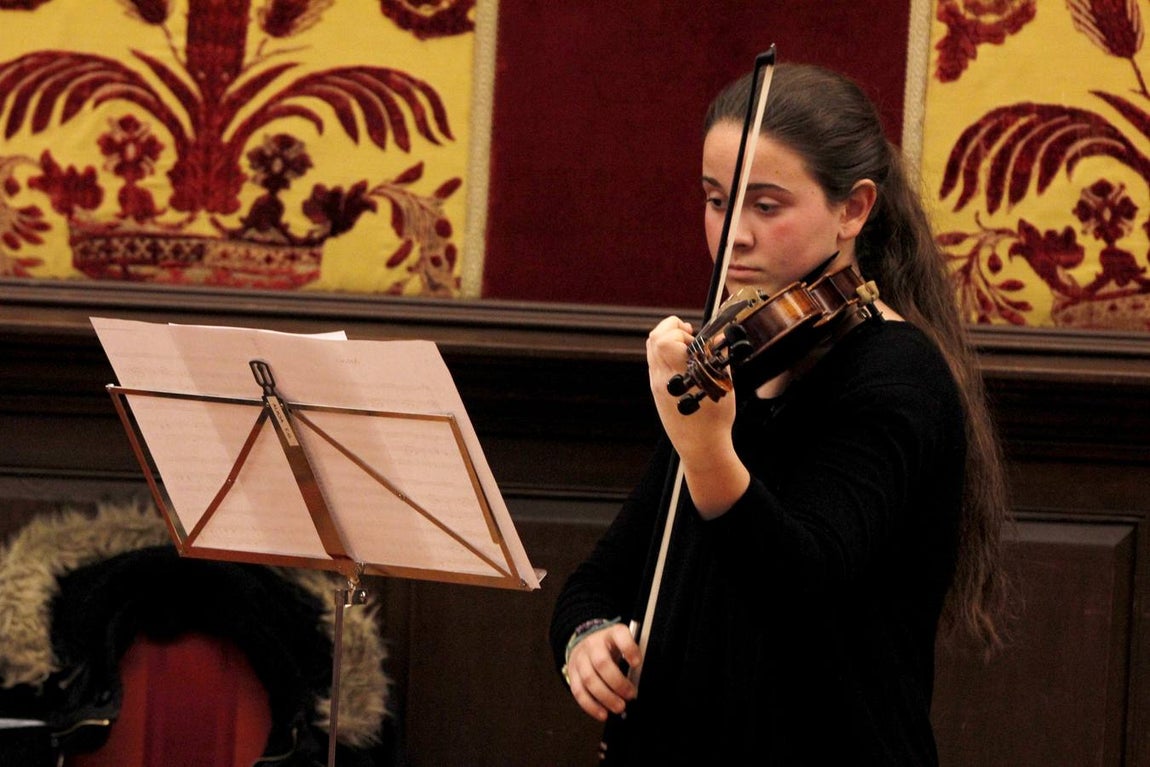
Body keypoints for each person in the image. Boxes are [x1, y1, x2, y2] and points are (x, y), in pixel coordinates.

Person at [549, 62, 1010, 766]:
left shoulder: (898, 376)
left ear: (854, 208)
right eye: (715, 201)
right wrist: (588, 635)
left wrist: (709, 452)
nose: (731, 234)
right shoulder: (735, 357)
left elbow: (798, 580)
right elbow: (601, 578)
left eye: (766, 206)